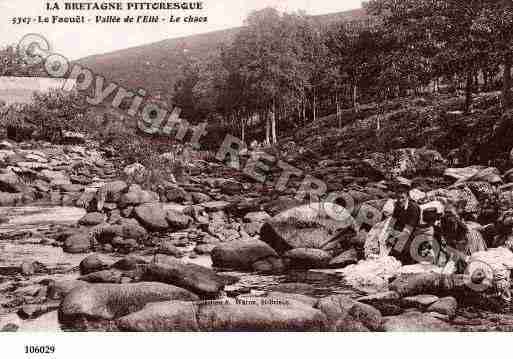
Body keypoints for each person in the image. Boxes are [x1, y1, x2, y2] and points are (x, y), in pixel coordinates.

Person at [387, 178, 422, 265]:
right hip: (400, 234)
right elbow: (392, 223)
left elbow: (408, 230)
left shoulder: (413, 208)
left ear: (407, 196)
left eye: (402, 197)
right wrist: (390, 235)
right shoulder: (397, 206)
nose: (400, 200)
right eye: (398, 197)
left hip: (413, 236)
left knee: (396, 255)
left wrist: (395, 238)